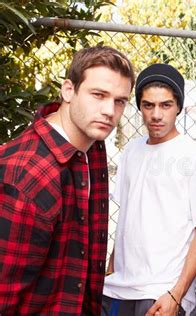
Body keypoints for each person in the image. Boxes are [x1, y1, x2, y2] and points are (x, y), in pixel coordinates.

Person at [0, 46, 135, 314]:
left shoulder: (91, 148)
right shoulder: (26, 176)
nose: (109, 111)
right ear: (68, 90)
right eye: (98, 95)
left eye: (120, 101)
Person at [101, 63, 196, 316]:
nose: (156, 114)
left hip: (161, 292)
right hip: (119, 286)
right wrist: (112, 270)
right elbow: (126, 220)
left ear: (178, 107)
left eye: (165, 105)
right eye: (148, 105)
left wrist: (177, 293)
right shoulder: (131, 150)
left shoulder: (195, 155)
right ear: (140, 107)